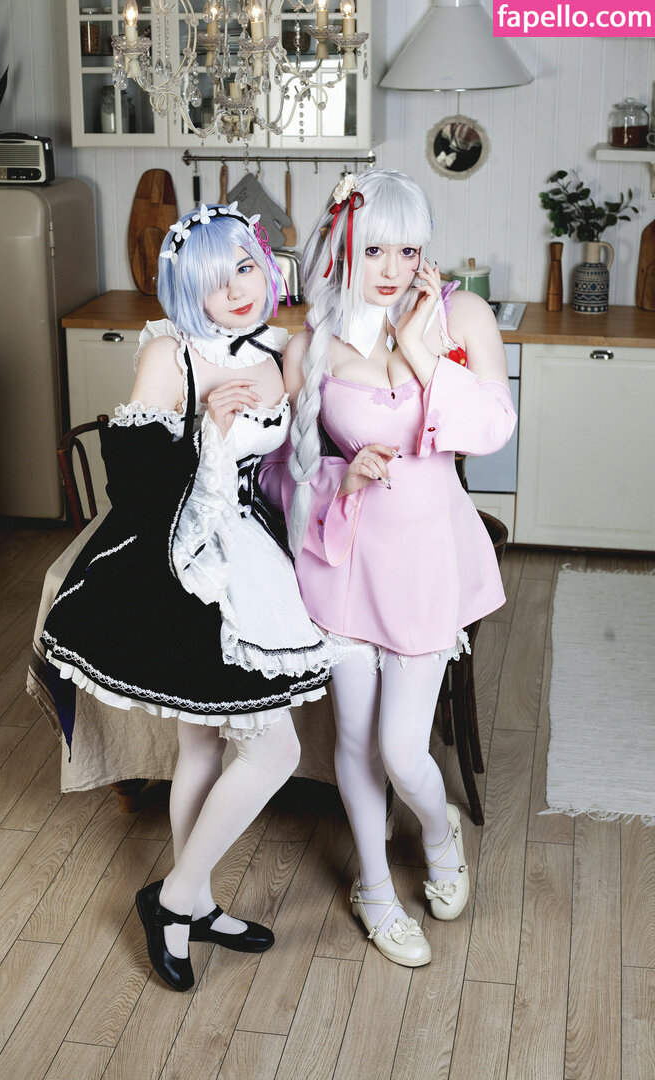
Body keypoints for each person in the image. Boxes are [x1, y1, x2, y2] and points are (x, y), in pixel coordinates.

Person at [40, 202, 332, 991]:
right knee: (265, 749)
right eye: (210, 281)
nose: (234, 290)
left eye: (244, 267)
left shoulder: (278, 349)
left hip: (248, 549)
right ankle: (176, 899)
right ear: (183, 291)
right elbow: (133, 485)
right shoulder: (171, 355)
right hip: (182, 559)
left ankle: (187, 898)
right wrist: (204, 431)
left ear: (265, 265)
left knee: (209, 746)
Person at [259, 169, 517, 968]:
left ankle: (439, 837)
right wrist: (343, 477)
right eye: (375, 249)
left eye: (409, 250)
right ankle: (374, 888)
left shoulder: (459, 315)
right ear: (343, 246)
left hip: (426, 562)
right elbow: (275, 472)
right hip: (342, 561)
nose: (394, 268)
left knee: (405, 750)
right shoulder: (311, 342)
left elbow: (491, 429)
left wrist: (419, 351)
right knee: (355, 739)